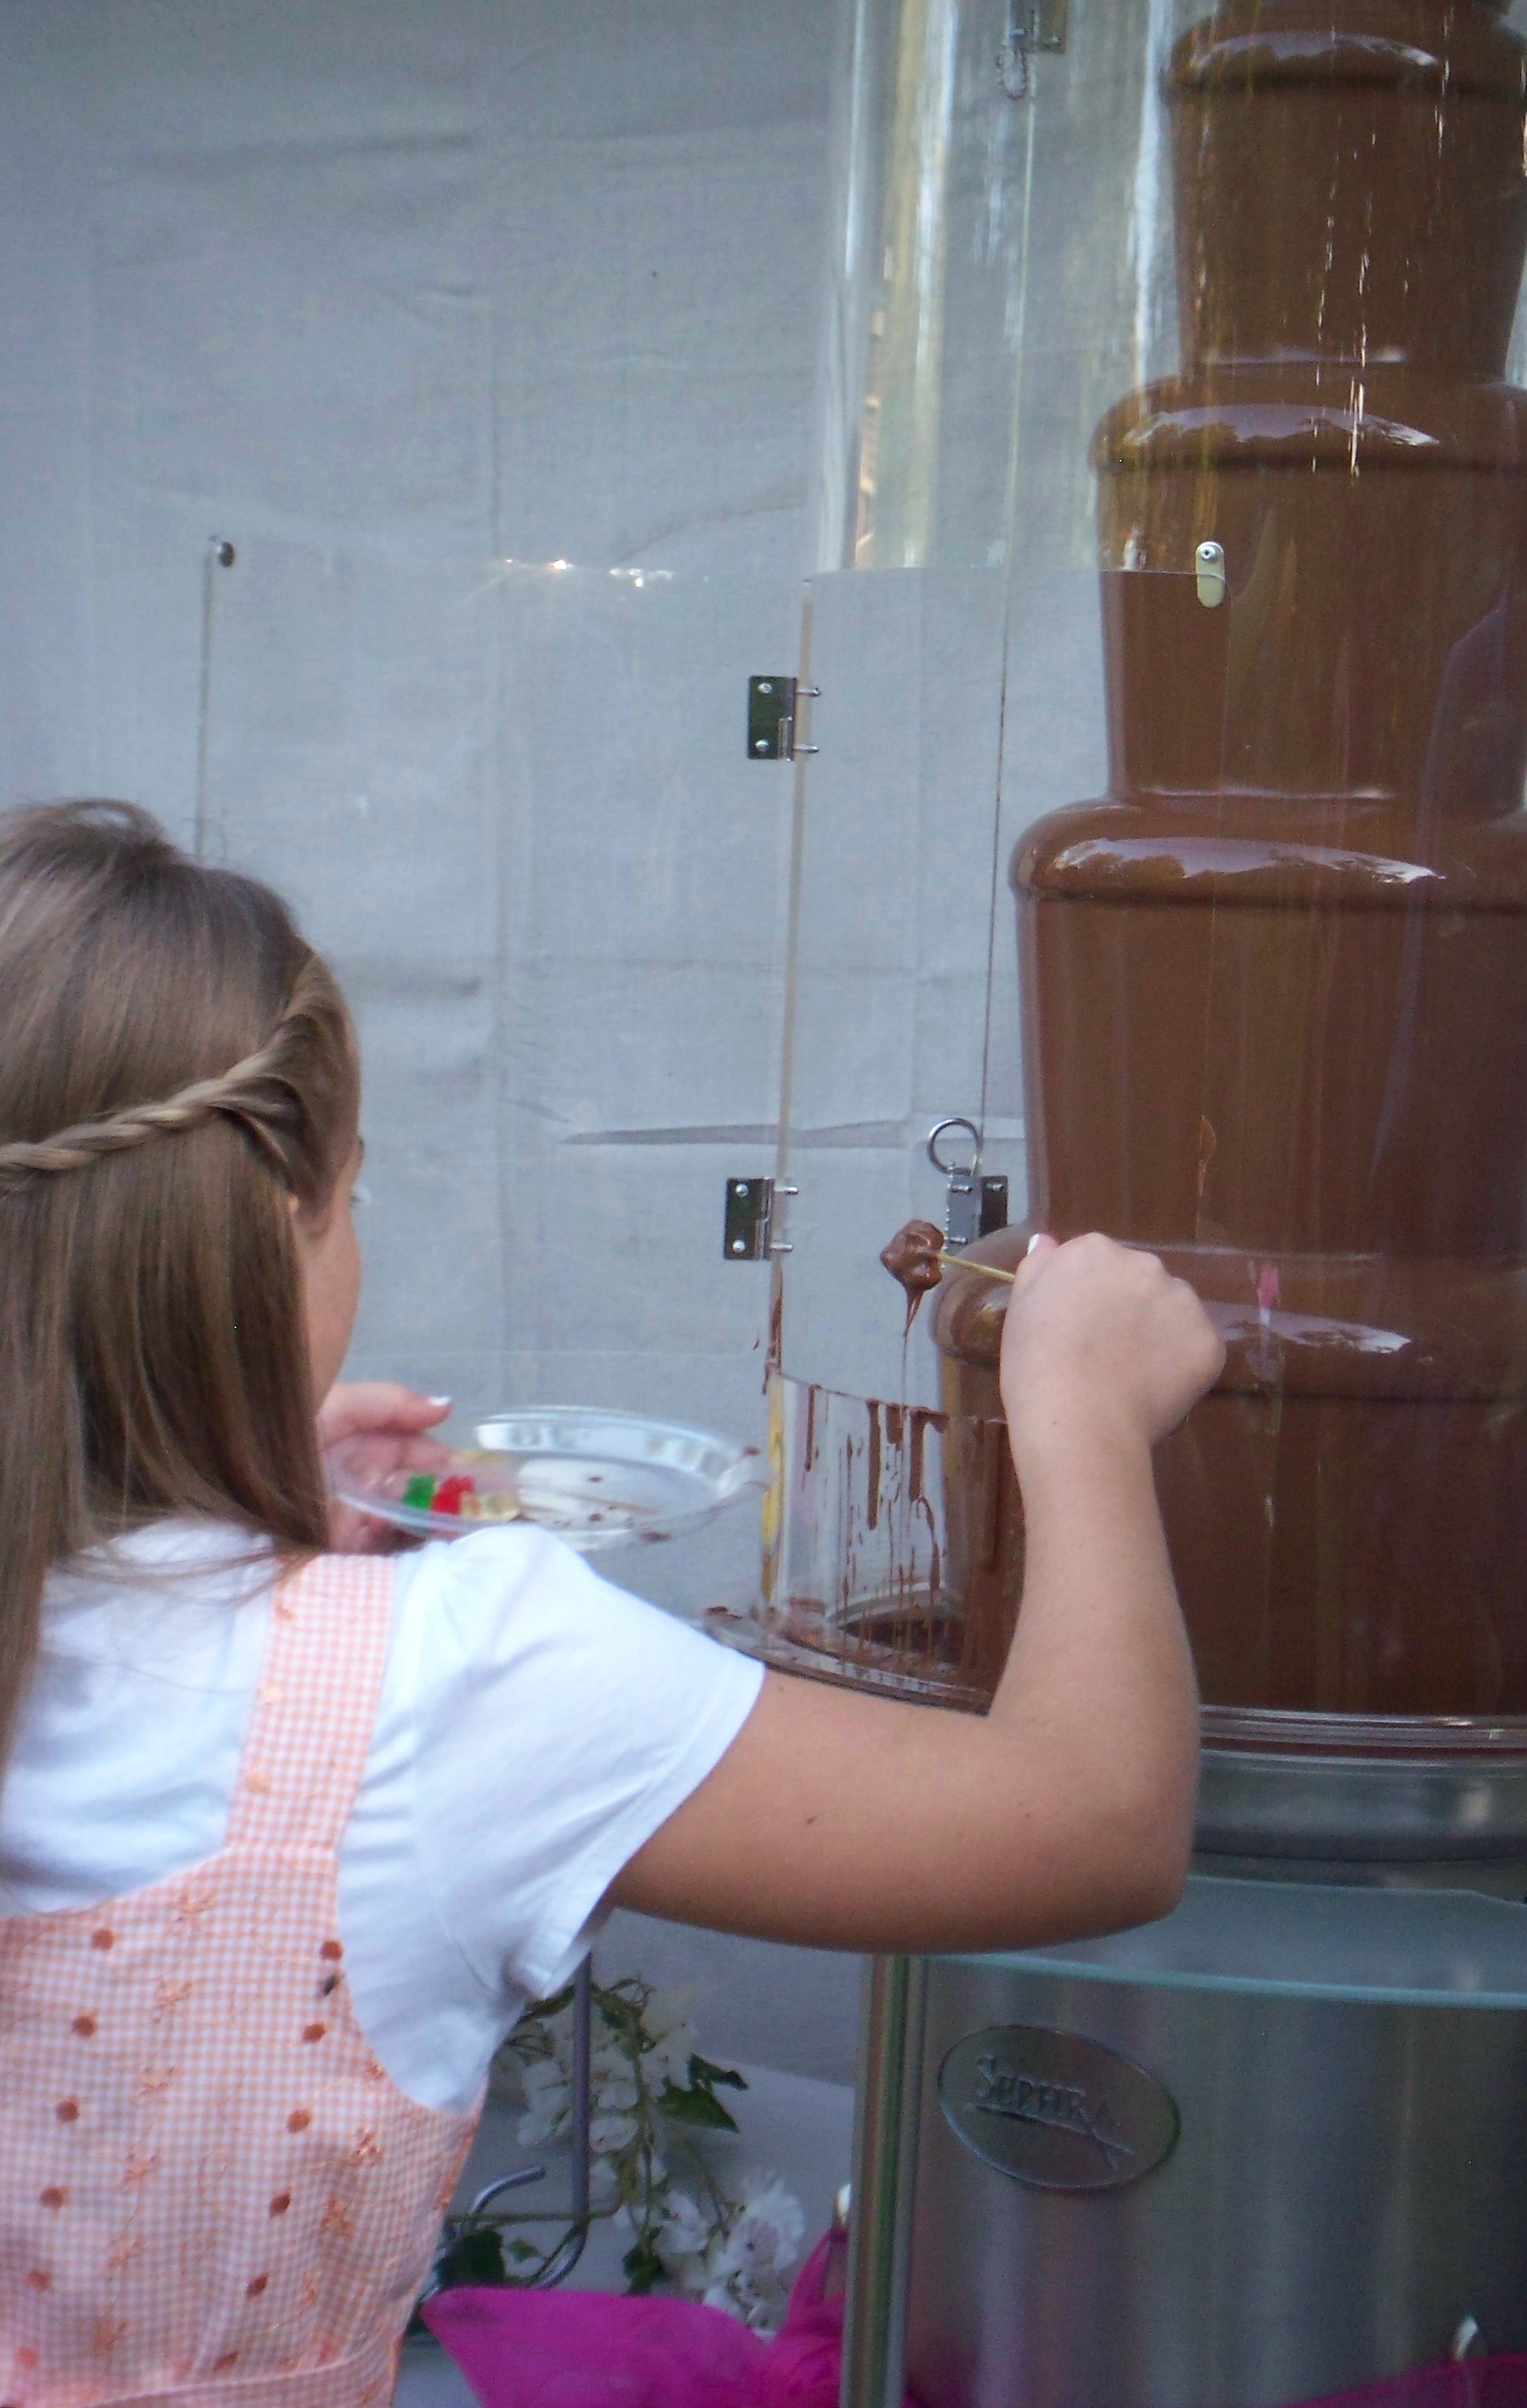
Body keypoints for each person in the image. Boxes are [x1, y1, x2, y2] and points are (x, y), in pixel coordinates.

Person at [0, 800, 1223, 2398]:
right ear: (266, 1220)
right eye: (351, 1195)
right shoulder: (465, 1677)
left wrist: (204, 1516)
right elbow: (1098, 1823)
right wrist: (1078, 1411)